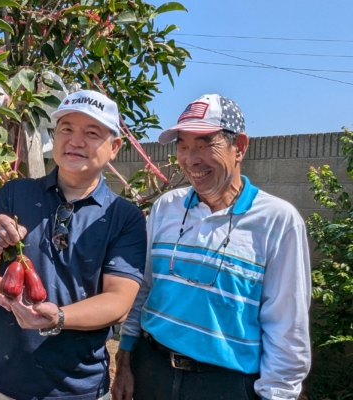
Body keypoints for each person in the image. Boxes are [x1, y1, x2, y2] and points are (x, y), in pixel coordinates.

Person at [112, 94, 312, 400]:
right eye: (183, 145)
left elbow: (286, 325)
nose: (191, 159)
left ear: (239, 147)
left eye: (205, 144)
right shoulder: (166, 207)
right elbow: (144, 288)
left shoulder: (278, 221)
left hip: (225, 386)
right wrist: (125, 356)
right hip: (151, 371)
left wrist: (279, 394)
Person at [0, 90, 147, 399]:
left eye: (91, 133)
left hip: (78, 387)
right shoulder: (15, 193)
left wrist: (58, 317)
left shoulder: (124, 217)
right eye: (66, 129)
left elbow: (119, 302)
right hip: (3, 381)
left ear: (114, 147)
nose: (75, 141)